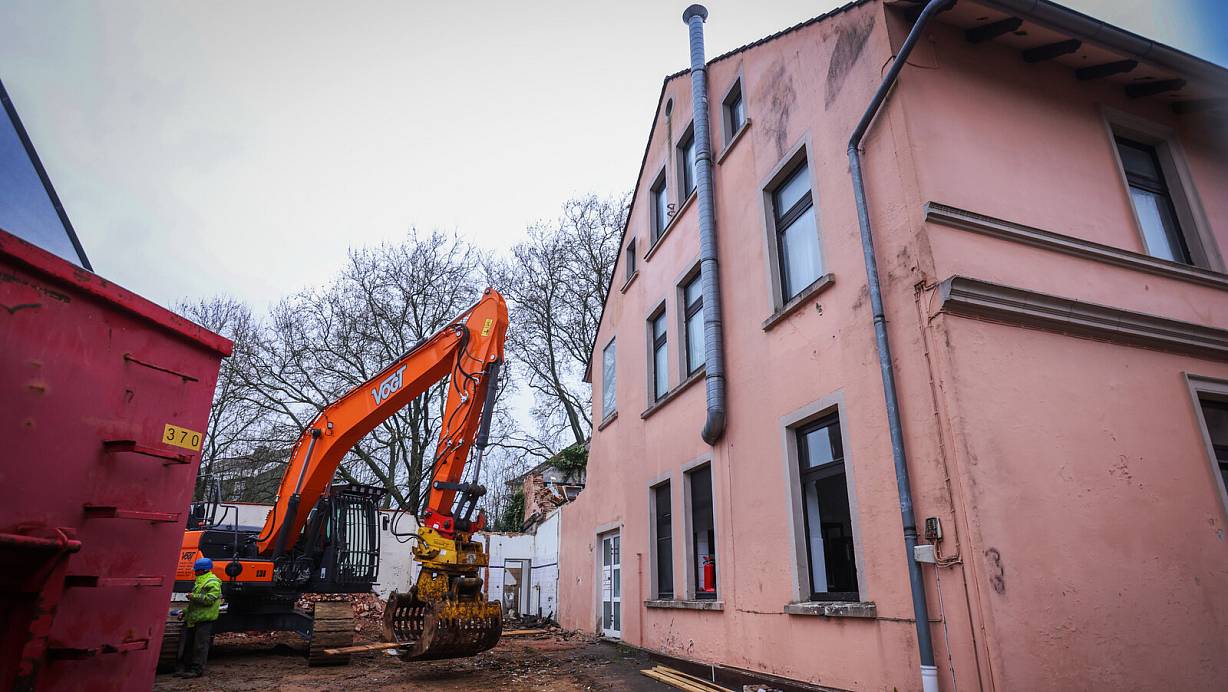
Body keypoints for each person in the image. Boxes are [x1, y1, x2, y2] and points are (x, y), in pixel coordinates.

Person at [177, 557, 222, 678]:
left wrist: (194, 596)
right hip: (195, 618)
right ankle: (185, 668)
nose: (194, 572)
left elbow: (210, 600)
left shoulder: (212, 582)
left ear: (202, 570)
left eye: (196, 570)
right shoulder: (200, 581)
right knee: (189, 644)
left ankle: (197, 670)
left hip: (204, 620)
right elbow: (195, 605)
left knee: (200, 646)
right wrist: (185, 612)